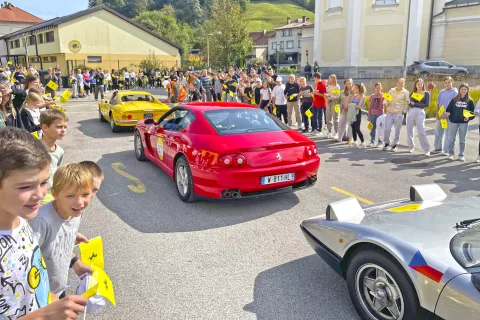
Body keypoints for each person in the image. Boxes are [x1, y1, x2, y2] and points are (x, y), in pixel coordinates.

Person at [0, 127, 88, 319]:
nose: (40, 194)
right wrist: (45, 315)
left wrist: (51, 300)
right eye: (25, 186)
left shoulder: (23, 221)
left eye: (43, 183)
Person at [30, 164, 94, 298]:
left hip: (58, 289)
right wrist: (48, 298)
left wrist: (76, 263)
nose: (79, 202)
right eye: (70, 195)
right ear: (55, 193)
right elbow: (27, 262)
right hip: (40, 296)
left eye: (85, 194)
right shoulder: (41, 221)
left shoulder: (75, 212)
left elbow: (56, 245)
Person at [39, 109, 68, 206]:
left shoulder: (60, 151)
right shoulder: (34, 148)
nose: (63, 130)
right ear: (45, 127)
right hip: (38, 193)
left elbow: (57, 172)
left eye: (65, 127)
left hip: (52, 191)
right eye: (59, 127)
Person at [445, 83, 475, 162]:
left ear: (467, 90)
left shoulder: (470, 101)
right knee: (451, 139)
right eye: (462, 89)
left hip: (463, 123)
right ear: (459, 90)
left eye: (465, 89)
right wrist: (448, 113)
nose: (463, 90)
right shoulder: (454, 99)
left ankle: (461, 155)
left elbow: (472, 113)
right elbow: (448, 109)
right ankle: (451, 154)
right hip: (453, 122)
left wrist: (468, 117)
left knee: (462, 140)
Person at [383, 78, 409, 152]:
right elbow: (386, 98)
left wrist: (404, 111)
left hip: (399, 112)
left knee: (397, 130)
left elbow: (407, 102)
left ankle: (394, 145)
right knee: (387, 129)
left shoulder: (405, 92)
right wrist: (385, 103)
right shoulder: (391, 90)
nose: (400, 84)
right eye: (399, 82)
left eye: (402, 83)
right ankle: (387, 143)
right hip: (390, 112)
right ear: (397, 83)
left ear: (404, 84)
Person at [434, 77, 458, 154]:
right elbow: (438, 103)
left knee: (448, 133)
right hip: (441, 114)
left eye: (449, 82)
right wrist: (437, 113)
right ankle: (438, 148)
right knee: (438, 131)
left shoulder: (455, 92)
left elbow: (456, 105)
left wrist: (448, 113)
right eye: (446, 82)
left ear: (452, 82)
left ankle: (447, 150)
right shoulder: (442, 92)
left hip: (450, 114)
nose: (447, 84)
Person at [407, 79, 431, 156]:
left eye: (421, 84)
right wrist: (412, 103)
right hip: (411, 112)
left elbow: (426, 104)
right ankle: (411, 147)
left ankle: (426, 149)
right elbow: (410, 104)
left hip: (420, 113)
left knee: (421, 131)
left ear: (423, 85)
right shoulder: (412, 93)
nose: (420, 86)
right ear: (415, 85)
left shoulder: (426, 93)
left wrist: (415, 104)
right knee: (409, 130)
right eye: (418, 84)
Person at [368, 83, 385, 147]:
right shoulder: (372, 96)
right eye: (377, 88)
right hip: (372, 114)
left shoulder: (383, 95)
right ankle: (372, 141)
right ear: (374, 88)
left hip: (380, 114)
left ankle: (380, 142)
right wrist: (369, 115)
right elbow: (370, 106)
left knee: (380, 128)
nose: (378, 89)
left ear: (381, 88)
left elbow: (388, 103)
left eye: (379, 88)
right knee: (372, 128)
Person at [349, 83, 366, 148]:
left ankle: (363, 142)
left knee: (357, 128)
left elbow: (359, 106)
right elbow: (350, 103)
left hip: (357, 113)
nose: (353, 89)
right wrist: (353, 104)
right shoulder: (354, 96)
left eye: (354, 88)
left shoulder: (362, 96)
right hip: (352, 112)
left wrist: (353, 105)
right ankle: (355, 141)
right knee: (353, 127)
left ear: (358, 89)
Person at [337, 79, 354, 143]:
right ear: (345, 84)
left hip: (351, 111)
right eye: (347, 84)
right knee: (341, 124)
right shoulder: (342, 92)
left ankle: (350, 139)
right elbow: (339, 100)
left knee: (350, 125)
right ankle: (339, 137)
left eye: (349, 83)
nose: (348, 85)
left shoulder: (354, 92)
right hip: (343, 111)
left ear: (352, 84)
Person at [311, 72, 327, 136]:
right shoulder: (317, 84)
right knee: (314, 116)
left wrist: (315, 93)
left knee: (319, 118)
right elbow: (317, 92)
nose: (313, 79)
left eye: (314, 78)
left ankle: (320, 130)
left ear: (316, 78)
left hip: (320, 104)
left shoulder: (322, 84)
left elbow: (324, 95)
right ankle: (315, 129)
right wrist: (313, 93)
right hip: (315, 103)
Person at [325, 74, 341, 139]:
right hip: (328, 102)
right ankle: (329, 132)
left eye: (330, 78)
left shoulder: (337, 86)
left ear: (333, 79)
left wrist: (331, 96)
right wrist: (326, 95)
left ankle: (336, 132)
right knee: (328, 118)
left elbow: (338, 96)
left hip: (335, 103)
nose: (329, 80)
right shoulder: (328, 86)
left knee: (335, 118)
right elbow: (326, 93)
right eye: (329, 78)